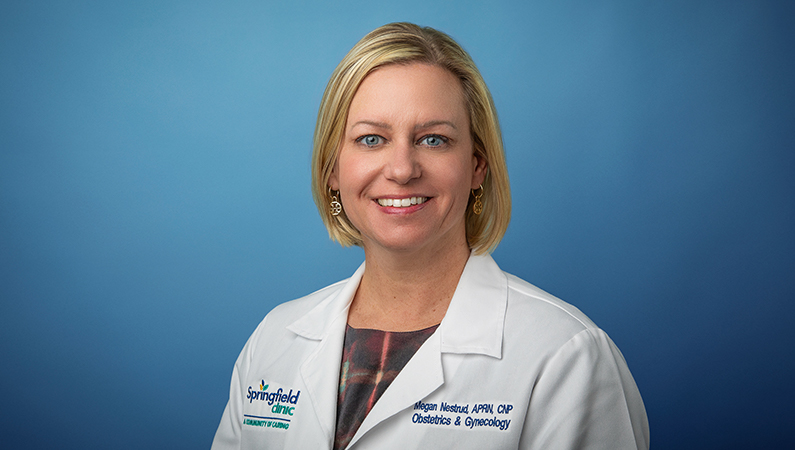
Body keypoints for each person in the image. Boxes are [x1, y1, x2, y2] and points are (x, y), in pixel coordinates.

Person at [212, 22, 649, 450]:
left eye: (434, 140)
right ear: (332, 170)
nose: (402, 169)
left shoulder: (566, 357)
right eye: (371, 139)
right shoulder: (273, 341)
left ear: (478, 165)